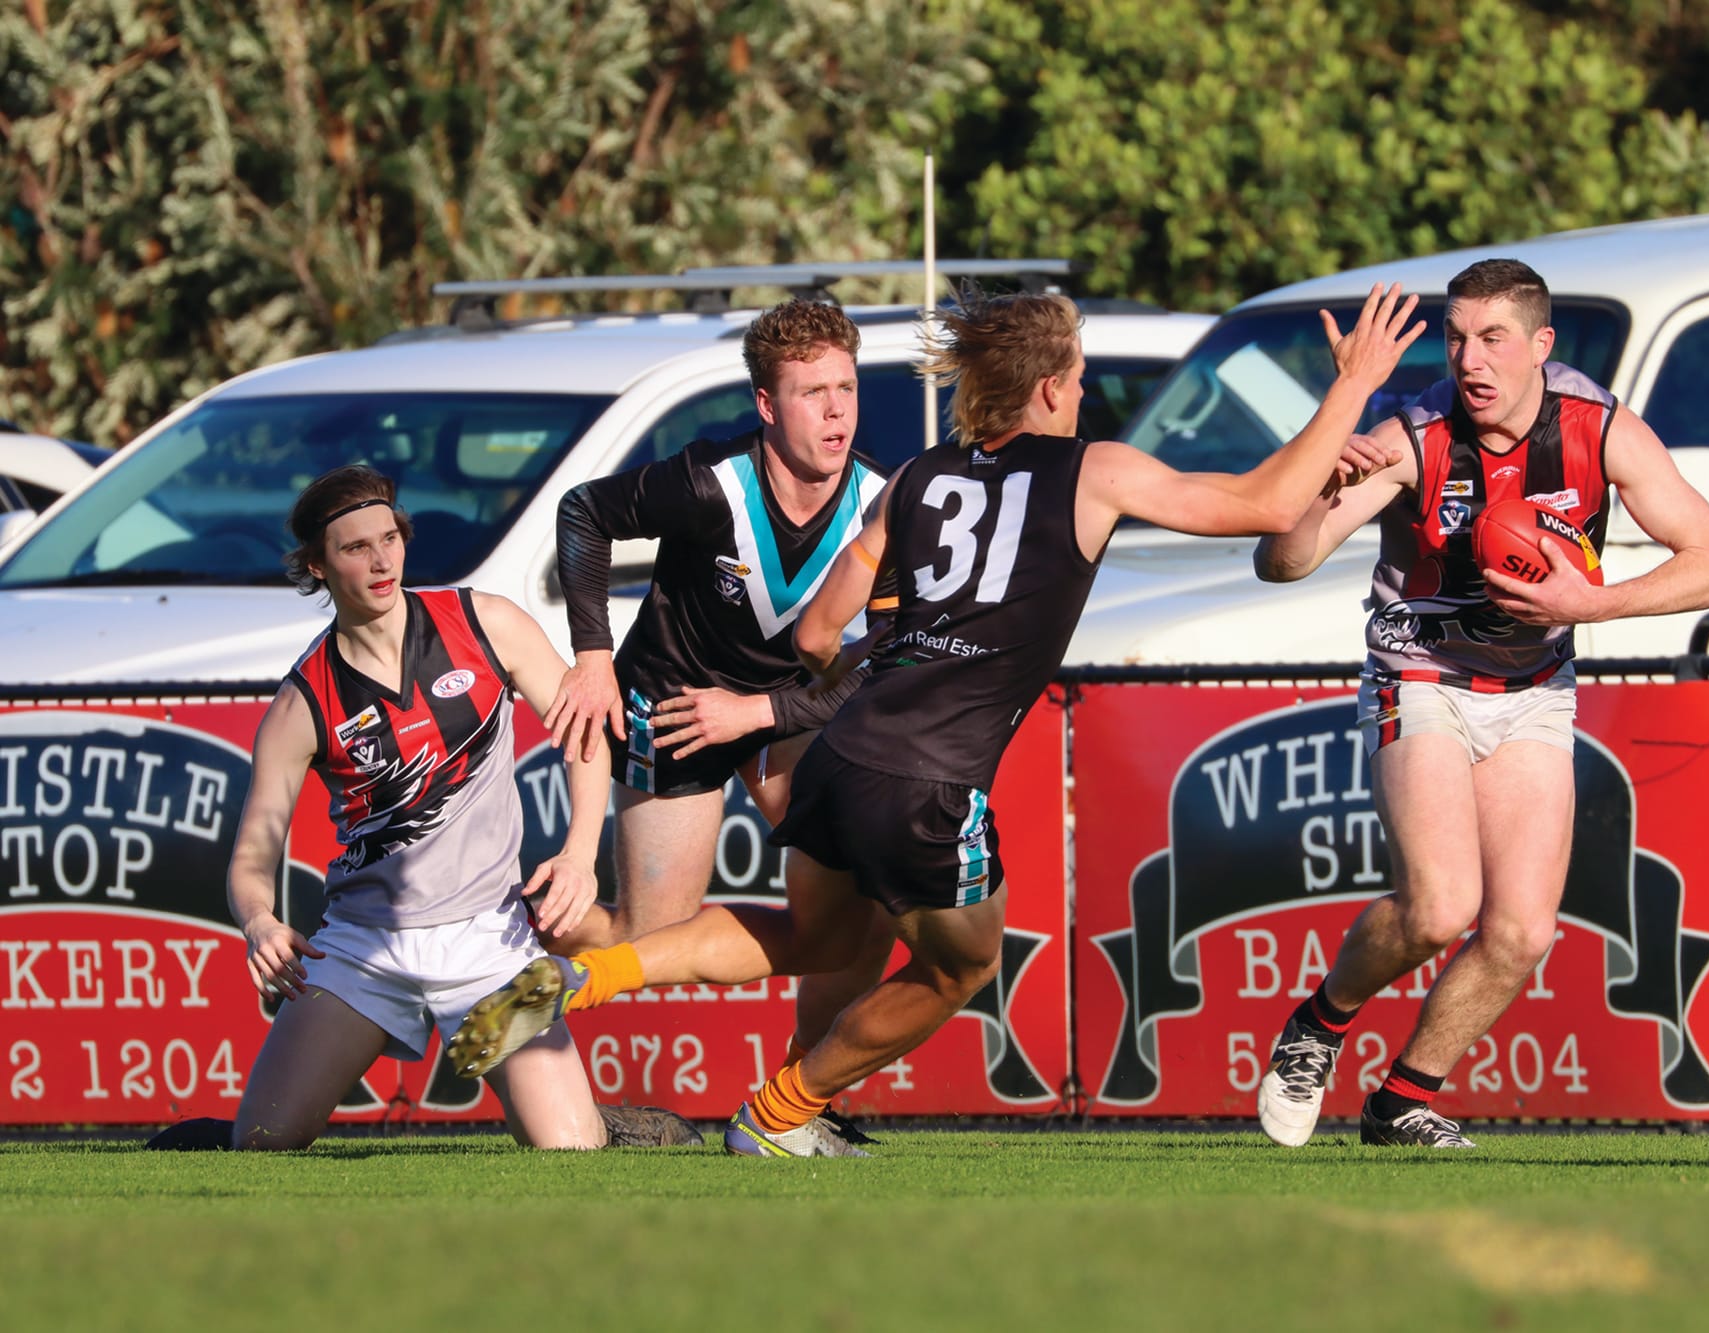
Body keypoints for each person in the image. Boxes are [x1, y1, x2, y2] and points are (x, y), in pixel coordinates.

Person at [445, 281, 1425, 1157]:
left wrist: (899, 647)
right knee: (961, 967)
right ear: (1045, 387)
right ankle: (779, 1112)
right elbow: (1267, 501)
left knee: (824, 945)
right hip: (922, 779)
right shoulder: (1092, 471)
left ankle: (589, 978)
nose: (1081, 393)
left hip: (835, 757)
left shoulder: (914, 481)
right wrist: (1352, 384)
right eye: (1077, 376)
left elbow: (822, 626)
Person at [1250, 258, 1709, 1149]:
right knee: (1440, 906)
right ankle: (1318, 1027)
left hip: (1533, 689)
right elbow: (1281, 563)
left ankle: (1402, 1098)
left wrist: (1589, 604)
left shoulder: (1599, 431)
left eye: (1493, 339)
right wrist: (1322, 484)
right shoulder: (1413, 434)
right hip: (1423, 672)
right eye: (1456, 338)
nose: (1470, 360)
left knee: (1520, 931)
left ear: (1541, 347)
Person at [150, 464, 695, 1151]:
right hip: (362, 950)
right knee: (262, 1141)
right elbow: (254, 854)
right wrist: (258, 919)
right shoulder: (302, 702)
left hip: (493, 944)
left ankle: (598, 1122)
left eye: (391, 538)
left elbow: (587, 732)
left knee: (568, 1149)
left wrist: (580, 854)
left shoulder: (483, 621)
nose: (381, 560)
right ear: (317, 566)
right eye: (355, 548)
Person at [538, 297, 897, 1146]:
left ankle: (802, 1102)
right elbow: (582, 513)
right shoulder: (710, 483)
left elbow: (885, 659)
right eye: (813, 392)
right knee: (650, 933)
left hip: (783, 710)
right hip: (674, 703)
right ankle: (507, 939)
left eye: (846, 386)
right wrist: (591, 653)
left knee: (858, 913)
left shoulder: (886, 500)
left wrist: (762, 710)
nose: (837, 409)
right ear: (767, 406)